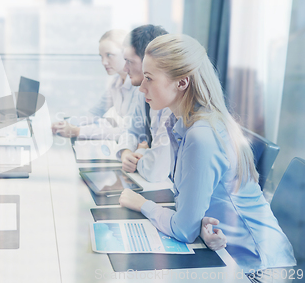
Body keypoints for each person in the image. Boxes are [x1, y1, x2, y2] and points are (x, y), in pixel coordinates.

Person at [119, 34, 296, 278]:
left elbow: (183, 230)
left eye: (149, 78)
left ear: (182, 83)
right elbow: (188, 212)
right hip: (227, 254)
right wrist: (200, 226)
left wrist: (143, 205)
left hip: (262, 269)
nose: (141, 87)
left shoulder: (201, 135)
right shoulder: (179, 123)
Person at [52, 29, 142, 140]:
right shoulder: (115, 83)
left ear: (126, 53)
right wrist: (63, 125)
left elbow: (128, 130)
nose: (104, 62)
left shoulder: (139, 86)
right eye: (101, 56)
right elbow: (94, 114)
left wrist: (78, 131)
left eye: (109, 55)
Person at [115, 25, 174, 182]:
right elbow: (130, 129)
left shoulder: (172, 104)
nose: (124, 68)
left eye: (129, 61)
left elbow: (156, 170)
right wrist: (126, 152)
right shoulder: (142, 91)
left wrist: (141, 153)